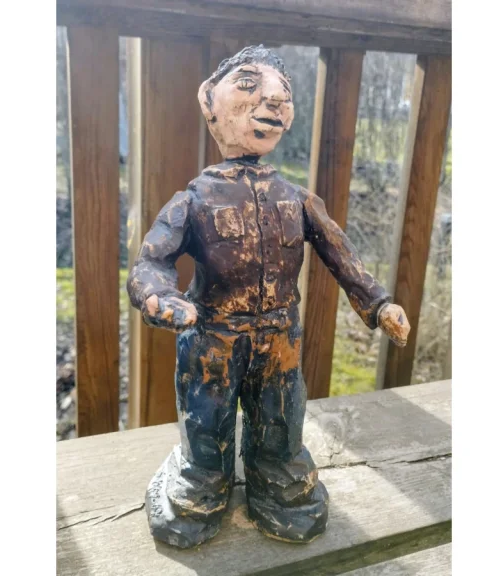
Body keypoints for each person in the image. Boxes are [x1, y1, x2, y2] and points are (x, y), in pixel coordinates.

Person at [128, 45, 411, 548]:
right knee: (206, 422)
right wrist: (158, 298)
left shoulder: (297, 199)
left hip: (280, 337)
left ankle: (279, 483)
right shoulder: (193, 200)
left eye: (283, 95)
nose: (273, 101)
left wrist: (378, 304)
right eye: (248, 85)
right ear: (208, 101)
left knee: (281, 418)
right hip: (212, 337)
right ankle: (202, 484)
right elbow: (151, 263)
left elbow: (342, 255)